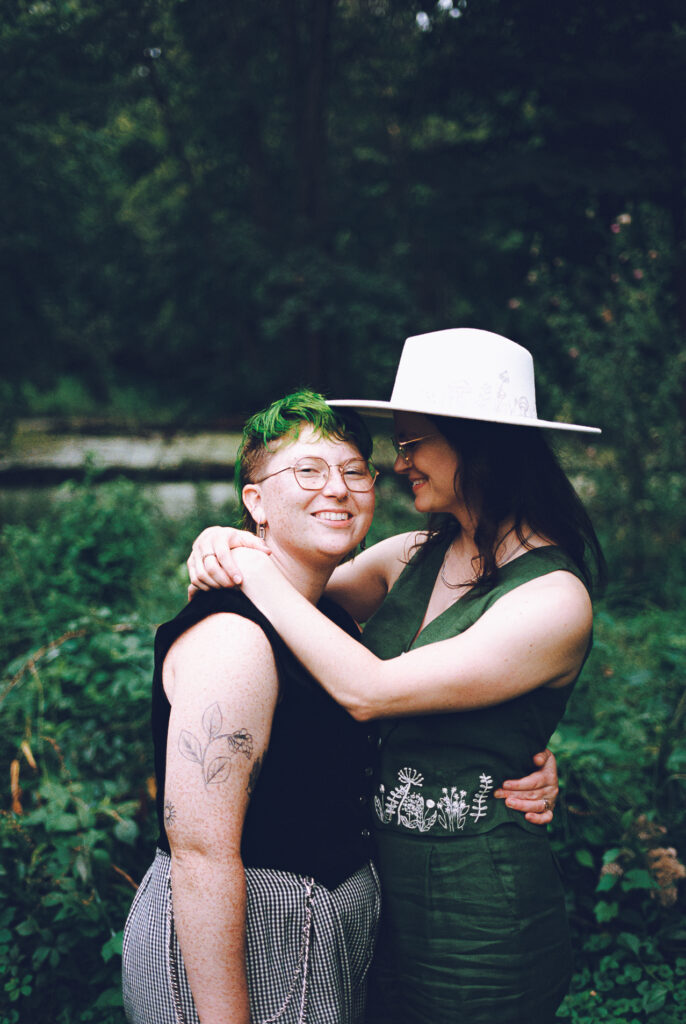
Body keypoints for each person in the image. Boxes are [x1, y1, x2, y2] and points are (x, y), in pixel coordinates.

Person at [186, 328, 605, 1024]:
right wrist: (228, 542)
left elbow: (368, 691)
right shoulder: (410, 554)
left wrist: (252, 567)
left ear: (477, 444)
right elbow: (285, 603)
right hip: (376, 893)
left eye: (412, 442)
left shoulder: (553, 600)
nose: (399, 461)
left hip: (482, 915)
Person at [122, 392, 384, 1024]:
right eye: (309, 471)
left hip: (318, 935)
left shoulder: (328, 618)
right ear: (255, 502)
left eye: (354, 471)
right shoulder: (234, 639)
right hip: (248, 946)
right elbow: (201, 854)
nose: (339, 489)